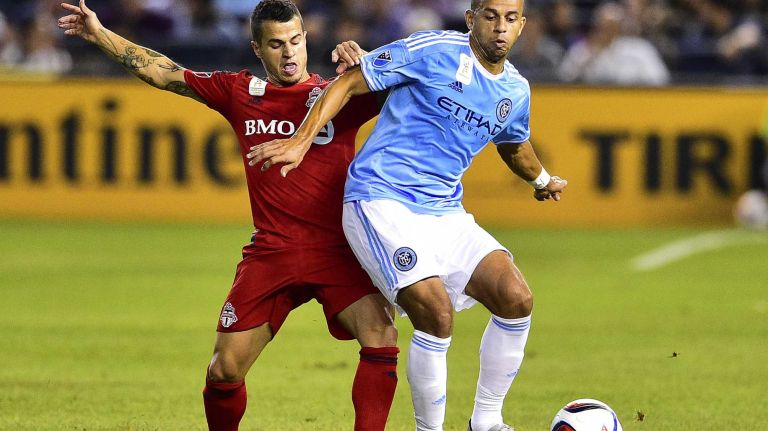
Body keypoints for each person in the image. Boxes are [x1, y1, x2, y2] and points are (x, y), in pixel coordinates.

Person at [57, 1, 399, 430]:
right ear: (257, 49)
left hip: (337, 252)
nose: (289, 53)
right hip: (272, 253)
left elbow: (411, 88)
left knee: (382, 336)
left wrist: (371, 65)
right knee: (224, 370)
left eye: (295, 41)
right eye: (276, 45)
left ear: (307, 39)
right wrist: (101, 33)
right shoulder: (240, 92)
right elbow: (163, 72)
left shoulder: (339, 94)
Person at [248, 0, 568, 430]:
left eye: (510, 19)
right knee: (435, 313)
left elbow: (514, 145)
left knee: (516, 299)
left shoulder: (515, 90)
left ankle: (487, 421)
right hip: (380, 201)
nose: (500, 27)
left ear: (523, 25)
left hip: (444, 212)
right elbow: (348, 83)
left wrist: (542, 181)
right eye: (490, 16)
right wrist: (301, 141)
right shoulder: (433, 49)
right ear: (472, 19)